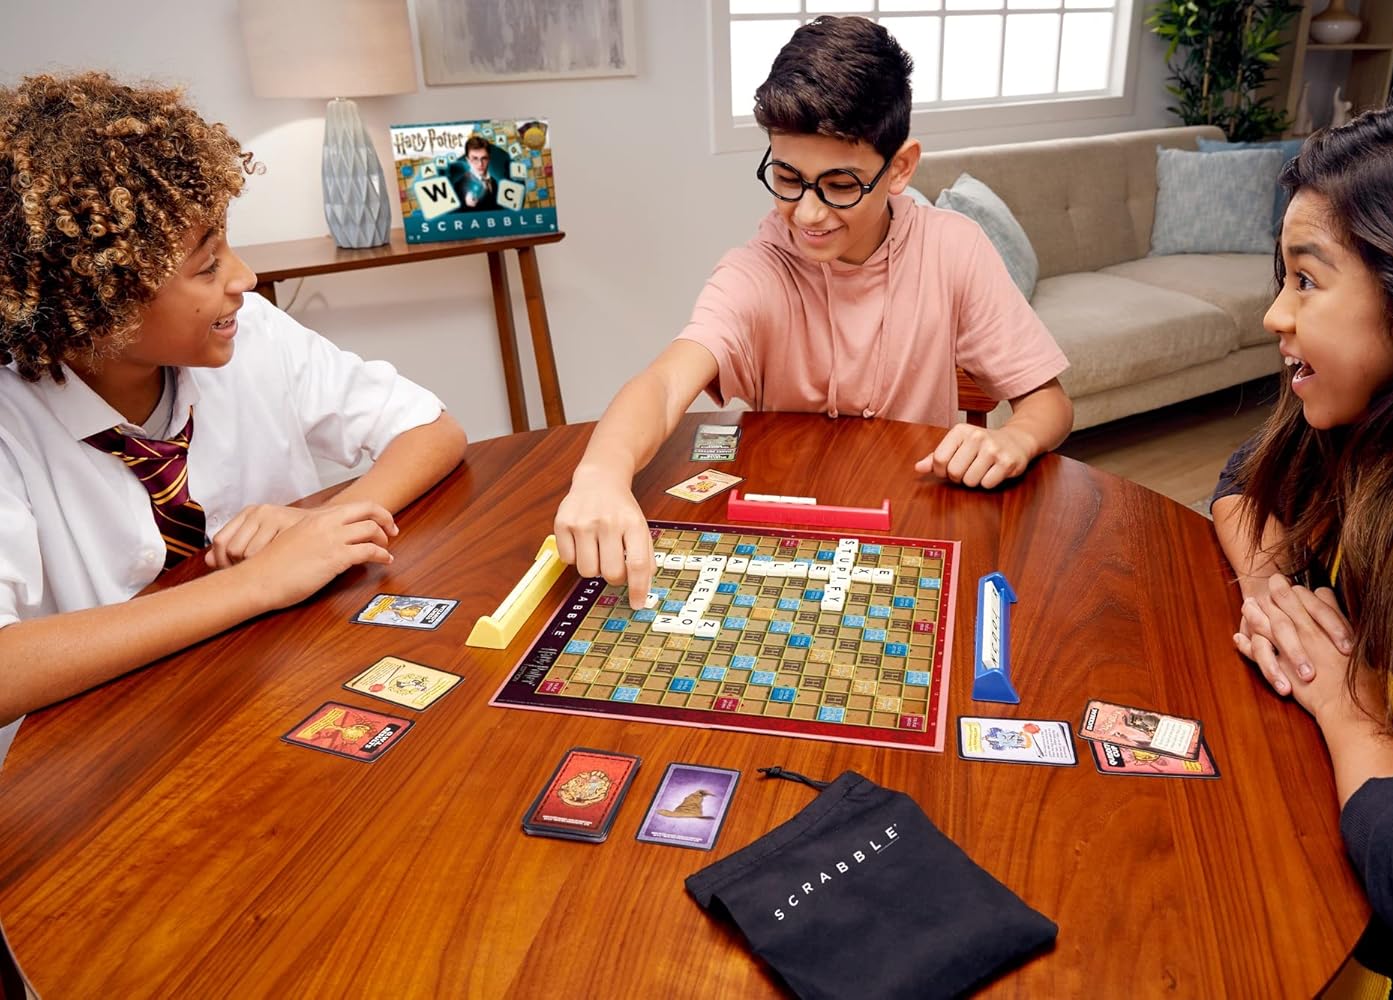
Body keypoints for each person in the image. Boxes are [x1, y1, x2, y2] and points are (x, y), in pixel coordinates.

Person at [0, 72, 468, 734]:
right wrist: (255, 585)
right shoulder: (10, 428)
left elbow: (431, 428)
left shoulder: (252, 336)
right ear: (98, 303)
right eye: (207, 264)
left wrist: (319, 529)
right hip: (108, 757)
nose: (245, 279)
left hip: (287, 691)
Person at [554, 16, 1073, 608]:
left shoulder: (954, 248)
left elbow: (1049, 403)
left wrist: (1016, 439)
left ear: (900, 167)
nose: (806, 213)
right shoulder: (758, 269)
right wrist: (600, 474)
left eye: (841, 185)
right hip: (780, 544)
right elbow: (665, 383)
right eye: (787, 178)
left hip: (913, 532)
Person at [1210, 99, 1393, 996]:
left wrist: (1344, 700)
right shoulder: (1368, 421)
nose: (1273, 317)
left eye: (1307, 281)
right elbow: (1238, 487)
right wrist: (1275, 594)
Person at [453, 135, 502, 211]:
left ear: (489, 158)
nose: (480, 164)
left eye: (484, 158)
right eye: (475, 159)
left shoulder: (494, 182)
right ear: (468, 160)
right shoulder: (459, 185)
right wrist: (465, 203)